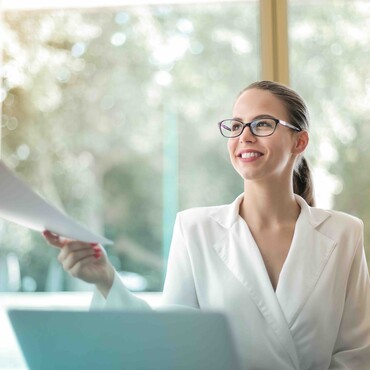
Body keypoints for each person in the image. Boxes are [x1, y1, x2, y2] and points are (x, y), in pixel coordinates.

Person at [43, 80, 370, 370]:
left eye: (262, 124)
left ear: (299, 142)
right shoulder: (194, 228)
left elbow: (356, 353)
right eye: (236, 125)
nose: (245, 136)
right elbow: (170, 343)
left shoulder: (344, 233)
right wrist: (106, 280)